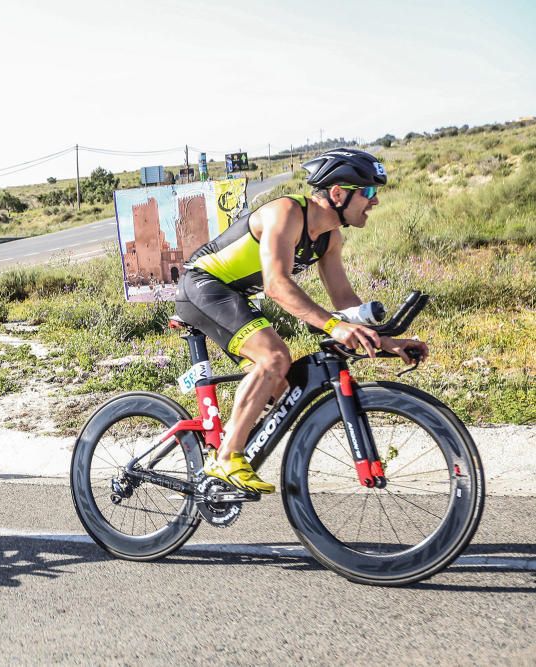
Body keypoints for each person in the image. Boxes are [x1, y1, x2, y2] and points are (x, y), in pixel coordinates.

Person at [175, 148, 428, 494]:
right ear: (337, 193)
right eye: (368, 192)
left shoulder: (329, 238)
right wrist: (335, 327)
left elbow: (345, 303)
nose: (375, 201)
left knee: (284, 385)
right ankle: (227, 456)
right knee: (275, 357)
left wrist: (386, 341)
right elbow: (276, 285)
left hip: (233, 296)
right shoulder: (286, 213)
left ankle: (225, 459)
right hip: (202, 285)